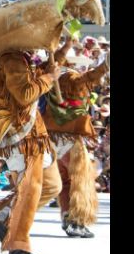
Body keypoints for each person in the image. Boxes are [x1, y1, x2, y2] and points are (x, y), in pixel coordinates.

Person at [0, 49, 63, 254]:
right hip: (23, 137)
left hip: (35, 136)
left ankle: (4, 218)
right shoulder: (12, 59)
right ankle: (18, 249)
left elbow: (38, 74)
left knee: (51, 186)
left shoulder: (21, 58)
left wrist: (62, 52)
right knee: (29, 193)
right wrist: (49, 78)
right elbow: (25, 94)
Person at [43, 46, 109, 238]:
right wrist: (105, 65)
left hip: (52, 138)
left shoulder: (49, 79)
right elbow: (88, 78)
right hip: (69, 138)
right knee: (80, 180)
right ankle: (77, 221)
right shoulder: (71, 78)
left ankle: (67, 216)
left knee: (64, 181)